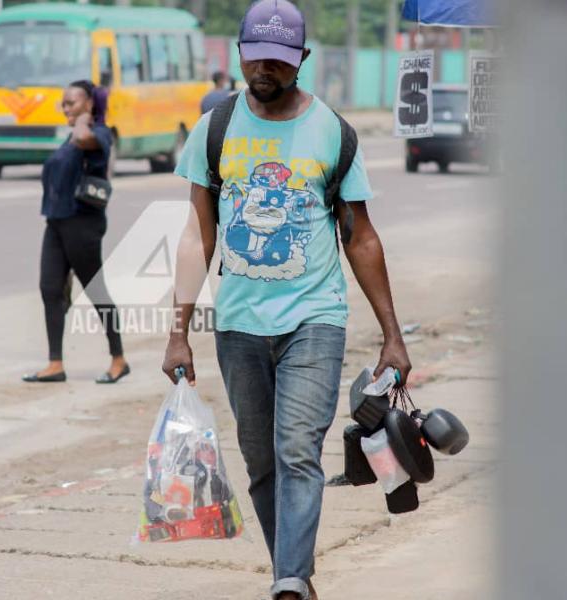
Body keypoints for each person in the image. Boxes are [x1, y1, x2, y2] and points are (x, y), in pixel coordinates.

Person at [161, 1, 411, 599]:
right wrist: (178, 330)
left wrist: (392, 334)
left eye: (278, 58)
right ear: (241, 55)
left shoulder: (333, 132)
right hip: (239, 325)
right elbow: (199, 235)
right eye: (255, 57)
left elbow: (361, 235)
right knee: (261, 459)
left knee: (297, 448)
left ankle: (290, 584)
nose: (265, 69)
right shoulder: (214, 129)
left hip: (314, 318)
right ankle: (291, 575)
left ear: (301, 59)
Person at [23, 81, 130, 385]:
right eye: (64, 104)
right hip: (56, 223)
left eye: (71, 103)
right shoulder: (69, 139)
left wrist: (85, 120)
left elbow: (84, 138)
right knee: (49, 289)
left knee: (96, 291)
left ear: (89, 104)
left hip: (82, 224)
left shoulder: (98, 134)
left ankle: (118, 359)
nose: (65, 108)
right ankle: (55, 363)